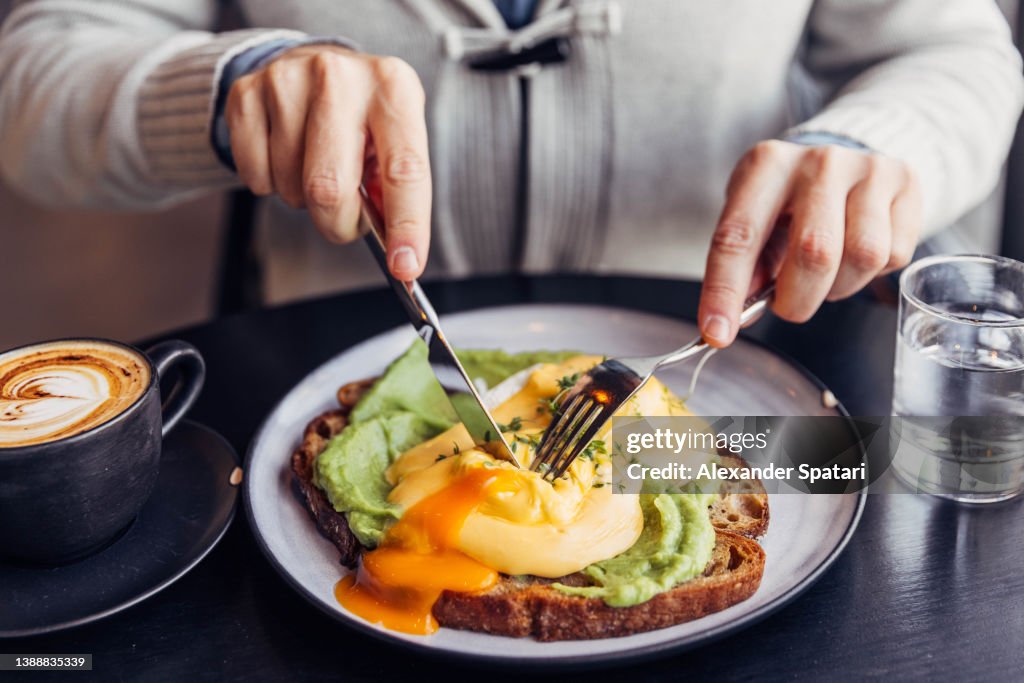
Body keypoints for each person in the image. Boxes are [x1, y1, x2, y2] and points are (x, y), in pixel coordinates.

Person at [0, 0, 1021, 348]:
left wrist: (881, 143)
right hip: (338, 362)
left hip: (727, 377)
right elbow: (34, 68)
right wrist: (221, 91)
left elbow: (957, 51)